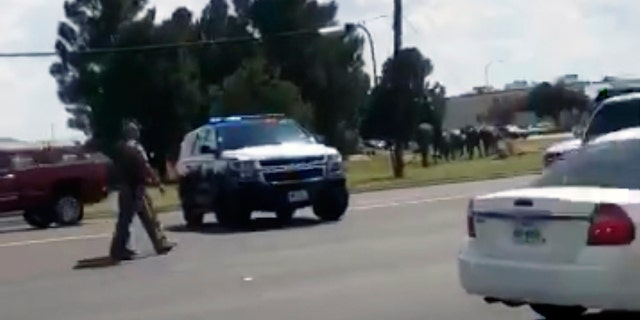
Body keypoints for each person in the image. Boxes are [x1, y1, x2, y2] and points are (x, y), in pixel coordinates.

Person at [109, 120, 176, 261]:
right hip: (136, 188)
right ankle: (121, 249)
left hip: (125, 187)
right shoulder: (136, 148)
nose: (138, 132)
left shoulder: (120, 149)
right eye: (136, 130)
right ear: (132, 133)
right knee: (145, 218)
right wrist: (158, 183)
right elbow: (146, 166)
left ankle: (120, 249)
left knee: (130, 220)